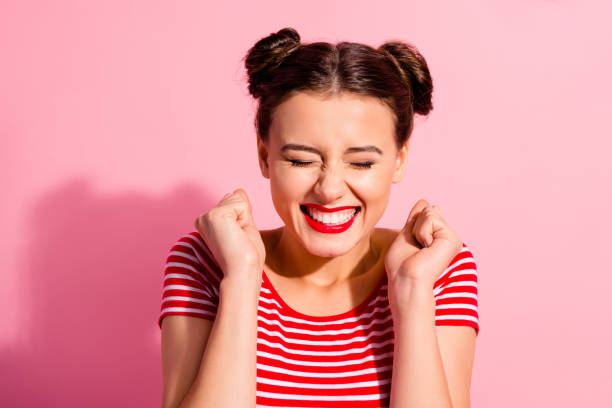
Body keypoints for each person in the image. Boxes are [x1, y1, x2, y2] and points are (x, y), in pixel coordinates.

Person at [158, 27, 480, 408]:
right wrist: (243, 278)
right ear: (264, 156)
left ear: (400, 159)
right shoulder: (205, 262)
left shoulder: (437, 269)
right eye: (301, 160)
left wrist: (411, 291)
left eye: (361, 162)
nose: (329, 189)